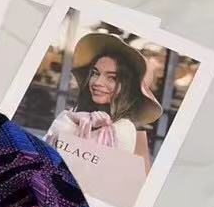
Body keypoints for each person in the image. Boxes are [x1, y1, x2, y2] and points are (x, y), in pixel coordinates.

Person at [44, 32, 162, 172]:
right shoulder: (77, 114)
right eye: (95, 73)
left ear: (127, 86)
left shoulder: (123, 128)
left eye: (112, 78)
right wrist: (72, 118)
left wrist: (68, 120)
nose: (97, 82)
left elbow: (80, 167)